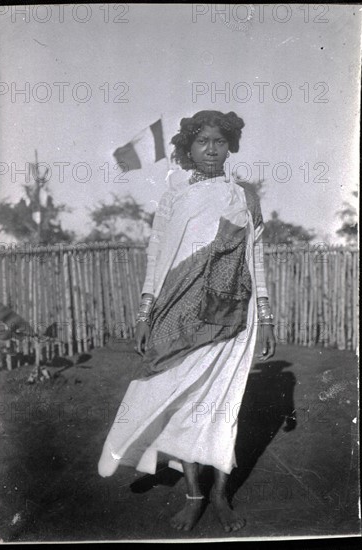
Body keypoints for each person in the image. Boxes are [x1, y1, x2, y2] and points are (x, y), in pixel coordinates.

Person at [98, 110, 276, 532]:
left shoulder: (244, 197)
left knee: (221, 406)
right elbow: (157, 255)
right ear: (189, 148)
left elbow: (257, 258)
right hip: (176, 311)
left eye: (219, 141)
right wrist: (145, 312)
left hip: (232, 312)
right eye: (202, 142)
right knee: (177, 401)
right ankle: (194, 494)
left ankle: (218, 494)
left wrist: (266, 316)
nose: (211, 149)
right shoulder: (175, 195)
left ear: (230, 145)